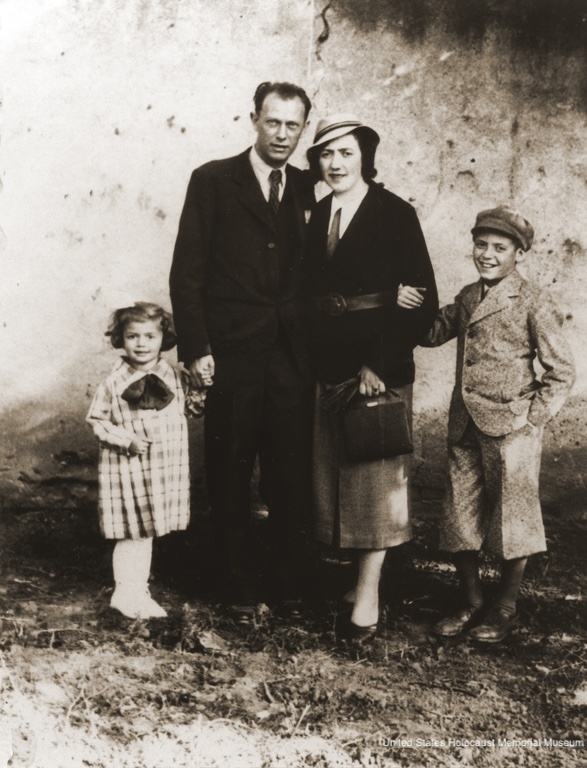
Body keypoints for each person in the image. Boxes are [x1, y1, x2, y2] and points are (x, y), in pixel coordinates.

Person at [169, 82, 315, 623]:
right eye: (273, 122)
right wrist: (196, 348)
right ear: (254, 119)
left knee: (289, 472)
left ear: (304, 129)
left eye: (293, 125)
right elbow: (187, 270)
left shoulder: (309, 186)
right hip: (230, 352)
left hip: (291, 356)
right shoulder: (213, 180)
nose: (282, 135)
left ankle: (286, 581)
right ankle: (232, 581)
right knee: (230, 469)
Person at [398, 205, 575, 642]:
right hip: (465, 426)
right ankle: (471, 602)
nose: (488, 255)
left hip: (511, 429)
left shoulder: (532, 300)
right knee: (460, 516)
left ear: (519, 253)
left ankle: (505, 607)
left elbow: (561, 371)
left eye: (500, 248)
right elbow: (431, 333)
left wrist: (531, 418)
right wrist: (404, 305)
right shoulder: (469, 296)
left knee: (513, 521)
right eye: (481, 245)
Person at [304, 114, 438, 640]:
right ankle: (355, 582)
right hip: (327, 366)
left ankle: (367, 597)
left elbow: (421, 298)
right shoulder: (317, 213)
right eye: (326, 153)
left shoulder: (394, 213)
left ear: (366, 157)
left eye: (346, 153)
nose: (335, 163)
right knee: (337, 480)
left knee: (373, 484)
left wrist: (377, 364)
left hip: (376, 371)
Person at [87, 302, 191, 619]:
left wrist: (200, 392)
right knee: (133, 533)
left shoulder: (175, 376)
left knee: (146, 533)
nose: (141, 344)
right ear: (121, 339)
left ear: (163, 339)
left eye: (150, 336)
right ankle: (126, 593)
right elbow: (96, 420)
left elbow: (190, 409)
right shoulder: (113, 382)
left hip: (162, 470)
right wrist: (126, 440)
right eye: (133, 336)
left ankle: (136, 590)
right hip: (129, 469)